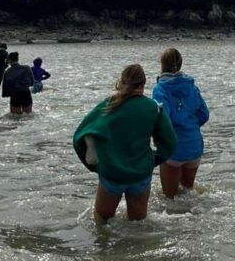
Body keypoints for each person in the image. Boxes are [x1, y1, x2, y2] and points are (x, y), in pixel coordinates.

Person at [72, 64, 177, 224]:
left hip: (112, 173)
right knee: (138, 225)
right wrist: (153, 160)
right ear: (143, 85)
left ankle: (104, 248)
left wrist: (95, 166)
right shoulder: (153, 108)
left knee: (102, 220)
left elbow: (79, 137)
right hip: (140, 174)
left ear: (122, 82)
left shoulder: (108, 105)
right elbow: (170, 142)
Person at [152, 48, 210, 199]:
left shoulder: (160, 89)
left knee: (169, 198)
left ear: (162, 65)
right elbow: (204, 114)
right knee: (187, 193)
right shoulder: (191, 86)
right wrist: (190, 126)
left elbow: (163, 119)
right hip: (194, 145)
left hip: (174, 148)